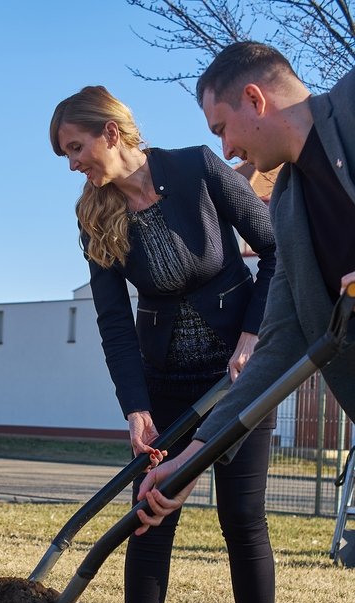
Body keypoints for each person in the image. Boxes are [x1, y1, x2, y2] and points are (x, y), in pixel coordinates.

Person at [50, 86, 280, 603]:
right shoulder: (96, 216)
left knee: (242, 518)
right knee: (149, 519)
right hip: (164, 386)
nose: (74, 163)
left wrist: (255, 337)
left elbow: (277, 252)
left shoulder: (197, 167)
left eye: (76, 147)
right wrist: (136, 406)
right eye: (66, 155)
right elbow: (113, 322)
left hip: (238, 378)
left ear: (111, 132)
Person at [135, 42, 355, 532]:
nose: (227, 150)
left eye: (222, 130)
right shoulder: (288, 209)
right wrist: (193, 457)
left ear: (255, 99)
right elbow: (276, 348)